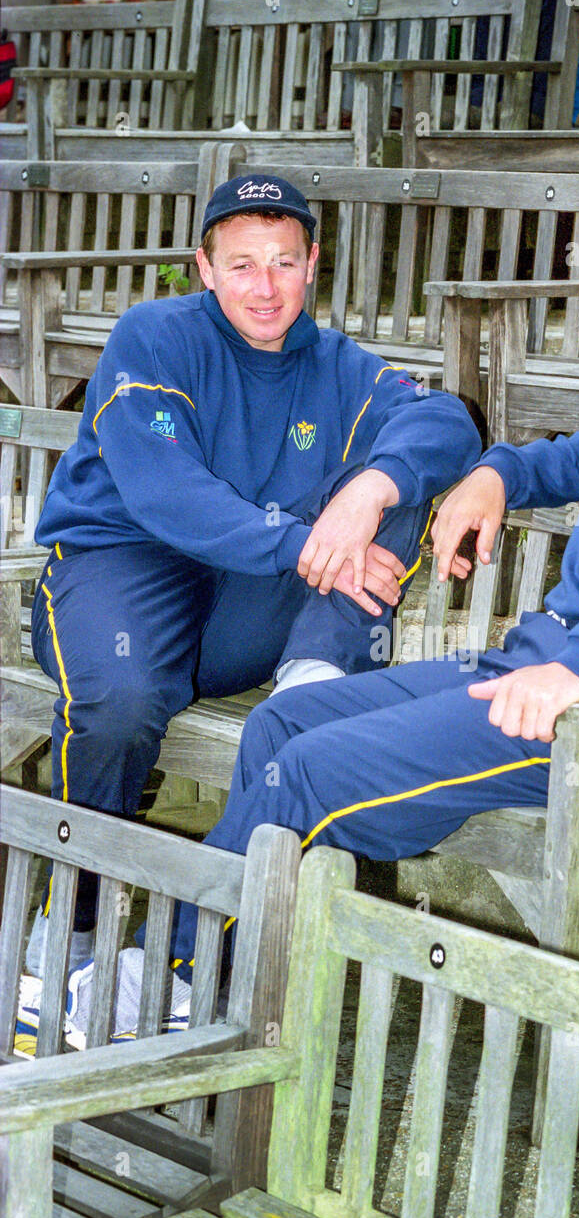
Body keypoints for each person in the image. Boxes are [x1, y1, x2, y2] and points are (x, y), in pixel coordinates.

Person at [29, 145, 579, 1041]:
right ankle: (187, 971)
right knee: (284, 723)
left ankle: (169, 985)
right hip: (550, 671)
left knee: (306, 773)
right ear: (206, 268)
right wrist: (496, 472)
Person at [24, 172, 481, 980]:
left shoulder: (338, 365)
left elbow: (446, 421)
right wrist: (311, 542)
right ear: (204, 267)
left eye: (282, 263)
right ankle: (75, 921)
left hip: (249, 611)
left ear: (312, 266)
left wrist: (368, 495)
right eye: (241, 265)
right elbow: (166, 492)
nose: (264, 288)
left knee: (388, 484)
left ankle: (311, 680)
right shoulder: (154, 336)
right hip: (123, 567)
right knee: (123, 703)